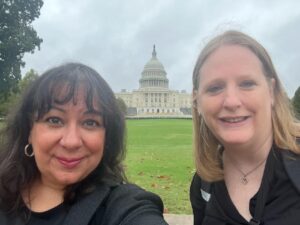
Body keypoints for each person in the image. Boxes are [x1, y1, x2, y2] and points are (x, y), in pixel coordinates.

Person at [0, 63, 168, 225]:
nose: (71, 142)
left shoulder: (123, 206)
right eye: (54, 119)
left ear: (107, 136)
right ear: (29, 130)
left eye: (90, 122)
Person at [190, 30, 300, 225]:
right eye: (215, 88)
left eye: (247, 83)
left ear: (272, 92)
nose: (231, 102)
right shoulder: (203, 183)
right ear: (197, 101)